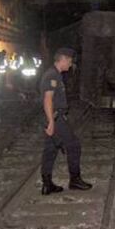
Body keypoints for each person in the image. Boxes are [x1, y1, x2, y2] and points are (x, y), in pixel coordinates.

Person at [40, 47, 92, 195]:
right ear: (62, 59)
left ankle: (47, 184)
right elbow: (47, 99)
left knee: (50, 150)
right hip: (55, 119)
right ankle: (75, 180)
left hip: (56, 117)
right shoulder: (52, 76)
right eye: (69, 60)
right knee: (74, 146)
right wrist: (51, 121)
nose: (70, 64)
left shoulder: (56, 74)